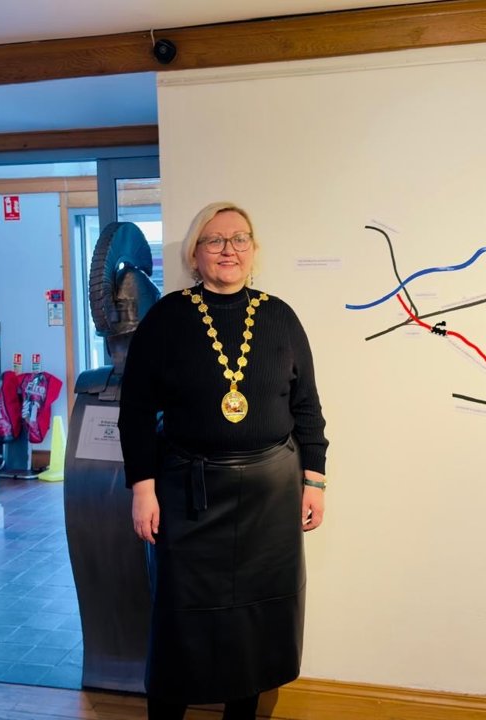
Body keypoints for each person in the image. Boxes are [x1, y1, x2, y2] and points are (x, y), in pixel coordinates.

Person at [118, 202, 329, 720]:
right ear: (195, 252)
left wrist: (316, 480)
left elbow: (306, 406)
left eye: (239, 239)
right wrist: (142, 487)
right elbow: (137, 410)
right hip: (187, 493)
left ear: (254, 250)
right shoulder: (167, 316)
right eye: (215, 240)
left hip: (270, 495)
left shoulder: (279, 315)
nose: (228, 250)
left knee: (256, 626)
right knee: (179, 624)